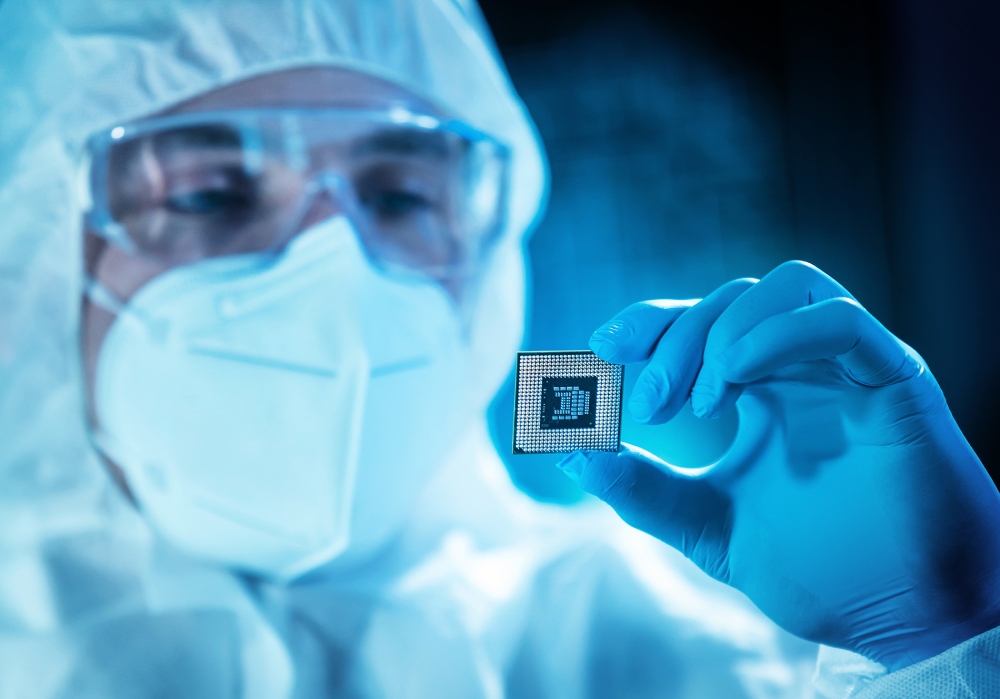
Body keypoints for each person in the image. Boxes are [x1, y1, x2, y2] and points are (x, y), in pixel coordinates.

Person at [0, 2, 995, 699]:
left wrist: (927, 646)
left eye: (396, 196)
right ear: (43, 257)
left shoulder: (722, 652)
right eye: (208, 195)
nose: (335, 265)